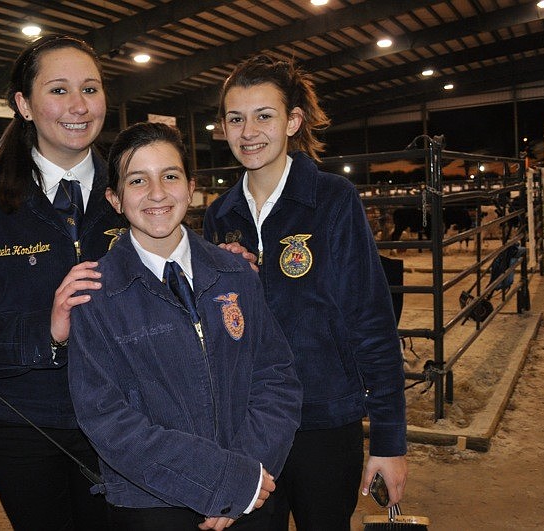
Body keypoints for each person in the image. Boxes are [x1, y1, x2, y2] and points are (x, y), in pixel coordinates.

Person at [0, 35, 127, 530]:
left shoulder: (135, 190)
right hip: (25, 425)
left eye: (90, 88)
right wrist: (44, 333)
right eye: (58, 90)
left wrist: (220, 266)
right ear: (24, 104)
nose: (79, 106)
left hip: (126, 420)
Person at [203, 54, 408, 531]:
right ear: (224, 127)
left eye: (264, 116)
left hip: (324, 419)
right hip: (249, 426)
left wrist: (389, 441)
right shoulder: (220, 215)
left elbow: (372, 321)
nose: (249, 132)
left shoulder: (333, 200)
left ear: (293, 121)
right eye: (236, 118)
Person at [66, 122, 302, 531]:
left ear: (191, 187)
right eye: (137, 180)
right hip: (151, 501)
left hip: (252, 490)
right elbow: (105, 416)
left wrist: (244, 476)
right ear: (115, 199)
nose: (157, 193)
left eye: (170, 176)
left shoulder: (235, 274)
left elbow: (275, 377)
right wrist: (214, 480)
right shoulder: (96, 295)